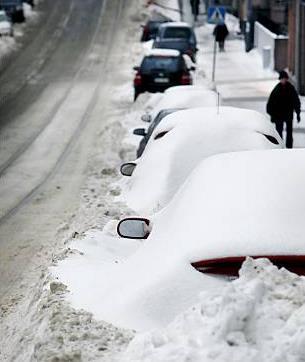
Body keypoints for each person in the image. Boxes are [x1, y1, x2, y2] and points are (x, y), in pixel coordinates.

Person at [266, 70, 301, 148]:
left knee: (289, 132)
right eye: (282, 79)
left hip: (288, 114)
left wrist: (298, 113)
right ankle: (280, 147)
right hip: (278, 115)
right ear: (280, 79)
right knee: (279, 132)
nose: (283, 80)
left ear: (287, 79)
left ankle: (289, 147)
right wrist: (272, 115)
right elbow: (270, 103)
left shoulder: (291, 88)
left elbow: (296, 101)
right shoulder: (276, 89)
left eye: (284, 78)